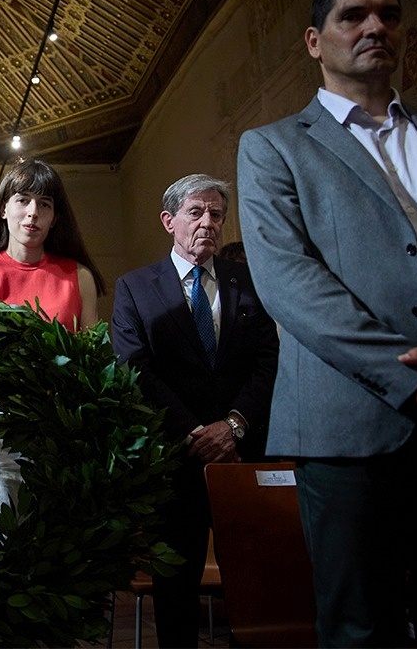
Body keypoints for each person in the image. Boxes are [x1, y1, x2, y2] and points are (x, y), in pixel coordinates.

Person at [237, 0, 417, 648]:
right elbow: (291, 284)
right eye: (353, 16)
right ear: (315, 41)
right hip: (347, 430)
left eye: (388, 14)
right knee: (361, 629)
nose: (375, 27)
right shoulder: (272, 147)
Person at [110, 173, 278, 647]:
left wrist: (234, 425)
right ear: (169, 221)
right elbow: (134, 369)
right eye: (196, 212)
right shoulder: (135, 287)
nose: (208, 222)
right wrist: (195, 432)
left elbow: (269, 359)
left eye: (217, 214)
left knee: (254, 581)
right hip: (175, 461)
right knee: (176, 590)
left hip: (241, 456)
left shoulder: (248, 280)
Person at [0, 157, 104, 538]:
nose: (32, 213)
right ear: (4, 208)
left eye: (45, 204)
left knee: (52, 553)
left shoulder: (79, 277)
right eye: (22, 200)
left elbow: (95, 360)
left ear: (56, 217)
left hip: (58, 432)